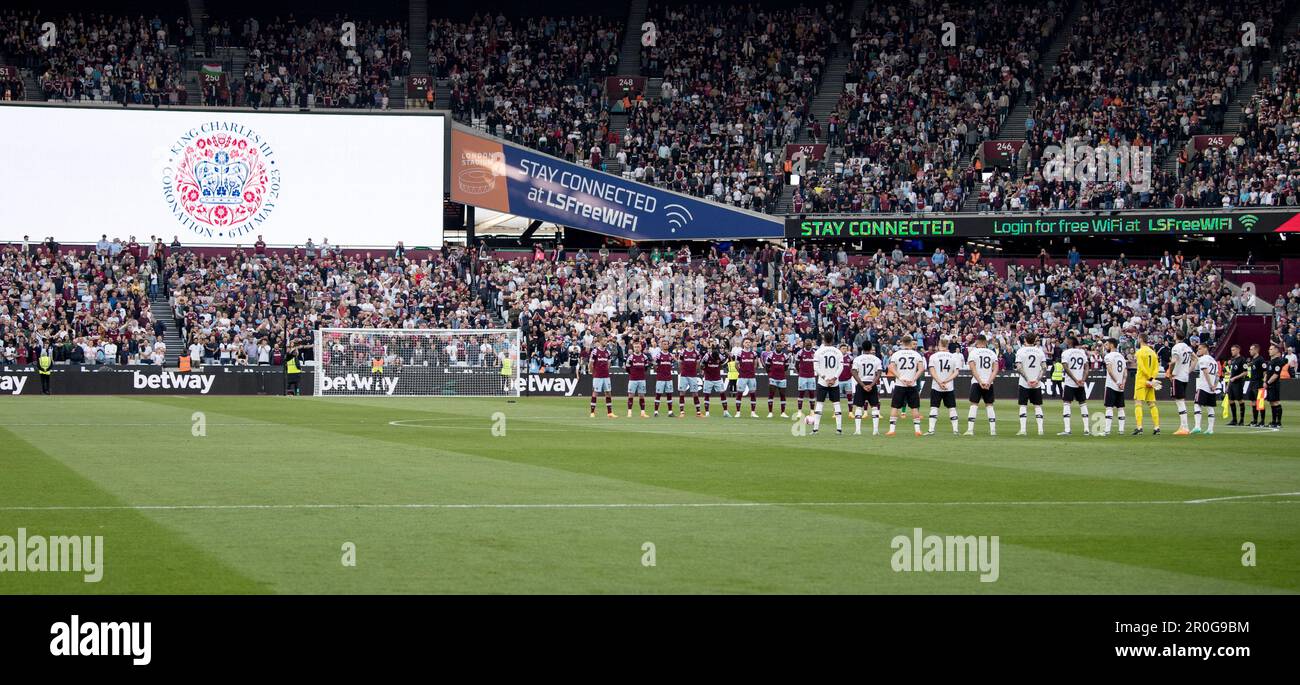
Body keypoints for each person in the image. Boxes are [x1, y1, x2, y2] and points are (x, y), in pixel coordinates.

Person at [885, 335, 926, 437]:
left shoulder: (896, 354)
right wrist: (914, 379)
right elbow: (921, 369)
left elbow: (891, 367)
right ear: (911, 342)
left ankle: (891, 430)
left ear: (901, 342)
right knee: (915, 408)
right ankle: (918, 430)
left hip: (900, 384)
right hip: (912, 384)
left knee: (895, 407)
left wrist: (900, 377)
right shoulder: (916, 354)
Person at [809, 332, 844, 435]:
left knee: (819, 404)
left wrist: (825, 378)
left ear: (824, 340)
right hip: (835, 382)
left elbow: (816, 368)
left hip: (822, 382)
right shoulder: (838, 352)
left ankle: (815, 429)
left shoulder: (819, 352)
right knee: (836, 404)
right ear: (833, 340)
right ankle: (839, 429)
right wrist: (834, 378)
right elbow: (841, 367)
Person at [926, 335, 962, 435]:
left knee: (934, 407)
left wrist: (940, 382)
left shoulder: (933, 356)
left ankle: (931, 430)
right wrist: (946, 381)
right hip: (949, 387)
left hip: (936, 386)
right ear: (948, 344)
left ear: (939, 344)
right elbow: (956, 372)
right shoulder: (954, 356)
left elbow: (932, 371)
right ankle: (955, 430)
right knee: (952, 408)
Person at [965, 335, 999, 435]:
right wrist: (989, 381)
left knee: (974, 404)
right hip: (989, 382)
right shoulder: (992, 353)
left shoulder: (973, 352)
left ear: (977, 342)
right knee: (989, 405)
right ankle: (993, 430)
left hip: (977, 382)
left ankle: (970, 430)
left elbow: (973, 368)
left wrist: (980, 381)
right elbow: (996, 369)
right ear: (985, 342)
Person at [1014, 333, 1048, 435]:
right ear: (1034, 340)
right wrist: (1037, 380)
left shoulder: (1021, 351)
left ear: (1025, 340)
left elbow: (1019, 367)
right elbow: (1044, 367)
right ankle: (1040, 430)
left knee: (1023, 405)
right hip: (1036, 383)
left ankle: (1023, 430)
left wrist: (1028, 380)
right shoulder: (1039, 351)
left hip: (1024, 383)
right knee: (1038, 406)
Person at [1058, 337, 1092, 435]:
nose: (1065, 341)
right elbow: (1087, 367)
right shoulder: (1082, 352)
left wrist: (1075, 380)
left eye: (1067, 339)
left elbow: (1066, 367)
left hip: (1070, 383)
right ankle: (1086, 429)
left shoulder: (1066, 353)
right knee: (1083, 404)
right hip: (1080, 383)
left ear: (1070, 342)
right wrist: (1083, 380)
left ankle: (1067, 430)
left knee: (1066, 403)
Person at [1166, 331, 1196, 435]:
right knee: (1181, 400)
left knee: (1179, 401)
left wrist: (1170, 372)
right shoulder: (1187, 347)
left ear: (1176, 336)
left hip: (1177, 376)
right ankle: (1183, 426)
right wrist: (1188, 370)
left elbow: (1174, 361)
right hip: (1184, 376)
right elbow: (1195, 359)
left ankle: (1185, 427)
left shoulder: (1176, 347)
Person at [1132, 334, 1162, 435]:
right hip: (1151, 381)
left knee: (1138, 403)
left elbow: (1141, 366)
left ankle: (1139, 427)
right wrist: (1152, 379)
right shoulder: (1153, 353)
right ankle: (1157, 427)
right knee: (1152, 404)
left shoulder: (1139, 352)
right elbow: (1156, 368)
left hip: (1141, 380)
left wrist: (1148, 377)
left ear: (1140, 339)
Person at [851, 341, 883, 435]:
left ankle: (857, 430)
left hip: (861, 384)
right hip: (871, 383)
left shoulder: (857, 359)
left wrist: (862, 385)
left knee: (859, 407)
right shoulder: (876, 359)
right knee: (874, 407)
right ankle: (875, 430)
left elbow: (854, 372)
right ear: (870, 348)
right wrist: (872, 385)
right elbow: (879, 373)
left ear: (862, 348)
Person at [1102, 338, 1128, 436]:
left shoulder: (1108, 356)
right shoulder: (1121, 356)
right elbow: (1125, 372)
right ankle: (1121, 430)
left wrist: (1117, 382)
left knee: (1109, 407)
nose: (1106, 346)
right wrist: (1123, 383)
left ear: (1112, 345)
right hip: (1120, 386)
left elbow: (1109, 370)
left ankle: (1107, 430)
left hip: (1111, 385)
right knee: (1120, 408)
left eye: (1107, 344)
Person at [1193, 342, 1219, 434]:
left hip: (1203, 386)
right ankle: (1210, 429)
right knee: (1210, 407)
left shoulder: (1203, 359)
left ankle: (1197, 426)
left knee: (1197, 405)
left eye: (1200, 349)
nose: (1198, 350)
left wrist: (1210, 384)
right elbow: (1217, 375)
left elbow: (1205, 372)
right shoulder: (1214, 361)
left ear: (1205, 349)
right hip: (1211, 389)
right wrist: (1214, 385)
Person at [588, 336, 615, 418]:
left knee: (608, 393)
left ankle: (610, 413)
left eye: (606, 340)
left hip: (606, 376)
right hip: (597, 376)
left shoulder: (608, 352)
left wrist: (606, 370)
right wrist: (593, 372)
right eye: (604, 340)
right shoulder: (595, 352)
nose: (606, 342)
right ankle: (592, 412)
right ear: (600, 341)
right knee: (595, 393)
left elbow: (609, 364)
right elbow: (590, 364)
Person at [701, 340, 727, 418]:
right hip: (708, 379)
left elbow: (724, 363)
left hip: (717, 378)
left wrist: (719, 366)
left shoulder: (720, 356)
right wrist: (704, 369)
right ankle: (707, 413)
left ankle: (725, 412)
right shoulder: (706, 356)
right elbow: (701, 364)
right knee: (707, 395)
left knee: (722, 393)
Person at [734, 339, 759, 418]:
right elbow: (736, 364)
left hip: (751, 376)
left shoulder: (753, 353)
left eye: (749, 342)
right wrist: (741, 372)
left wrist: (752, 371)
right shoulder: (740, 353)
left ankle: (753, 412)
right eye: (746, 342)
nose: (748, 343)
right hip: (742, 376)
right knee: (739, 393)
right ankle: (738, 412)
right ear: (743, 344)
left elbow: (755, 364)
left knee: (753, 394)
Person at [677, 341, 702, 418]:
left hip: (693, 376)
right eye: (691, 343)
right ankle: (682, 412)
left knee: (695, 393)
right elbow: (680, 362)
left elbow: (698, 363)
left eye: (693, 343)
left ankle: (698, 412)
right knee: (682, 393)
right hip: (684, 375)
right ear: (687, 343)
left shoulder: (696, 353)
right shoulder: (682, 352)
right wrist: (682, 371)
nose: (693, 344)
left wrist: (695, 370)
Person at [625, 340, 650, 418]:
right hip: (633, 379)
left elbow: (646, 368)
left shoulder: (644, 357)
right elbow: (627, 368)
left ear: (641, 348)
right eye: (635, 347)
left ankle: (642, 412)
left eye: (638, 347)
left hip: (642, 379)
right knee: (631, 395)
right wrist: (632, 374)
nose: (637, 348)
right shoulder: (631, 357)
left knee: (641, 396)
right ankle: (629, 412)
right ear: (633, 348)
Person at [794, 338, 817, 418]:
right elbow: (796, 364)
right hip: (802, 376)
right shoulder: (800, 353)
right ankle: (799, 411)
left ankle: (812, 411)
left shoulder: (814, 352)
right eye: (807, 345)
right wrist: (799, 372)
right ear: (804, 344)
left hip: (811, 376)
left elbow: (817, 364)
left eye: (810, 345)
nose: (809, 346)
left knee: (812, 394)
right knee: (801, 394)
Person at [652, 338, 675, 417]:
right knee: (658, 394)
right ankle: (656, 412)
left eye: (667, 344)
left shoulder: (671, 355)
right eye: (664, 344)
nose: (665, 345)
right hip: (660, 378)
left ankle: (670, 412)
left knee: (669, 395)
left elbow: (672, 364)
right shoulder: (658, 355)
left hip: (668, 378)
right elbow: (654, 364)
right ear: (661, 345)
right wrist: (658, 370)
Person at [1226, 344, 1248, 426]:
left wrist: (1235, 378)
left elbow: (1245, 372)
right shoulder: (1233, 360)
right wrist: (1228, 384)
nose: (1232, 352)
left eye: (1234, 350)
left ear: (1238, 350)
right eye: (1231, 350)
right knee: (1230, 400)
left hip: (1238, 383)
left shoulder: (1242, 360)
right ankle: (1234, 419)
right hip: (1231, 383)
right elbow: (1232, 373)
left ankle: (1241, 420)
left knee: (1240, 400)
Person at [766, 344, 790, 418]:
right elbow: (767, 365)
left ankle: (783, 412)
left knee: (782, 395)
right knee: (771, 394)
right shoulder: (771, 355)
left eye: (780, 346)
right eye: (777, 346)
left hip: (782, 378)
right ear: (775, 347)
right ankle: (770, 412)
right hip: (773, 377)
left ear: (782, 347)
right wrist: (770, 374)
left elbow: (786, 366)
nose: (779, 347)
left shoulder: (785, 356)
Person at [1266, 343, 1286, 428]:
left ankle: (1279, 422)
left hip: (1274, 385)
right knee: (1271, 402)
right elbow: (1268, 373)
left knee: (1276, 402)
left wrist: (1267, 383)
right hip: (1270, 384)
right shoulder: (1271, 361)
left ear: (1276, 350)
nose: (1269, 351)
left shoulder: (1278, 361)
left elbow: (1275, 375)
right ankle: (1274, 421)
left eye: (1271, 349)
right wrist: (1265, 381)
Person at [1248, 343, 1268, 426]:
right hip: (1252, 382)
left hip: (1258, 382)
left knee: (1260, 402)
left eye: (1251, 349)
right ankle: (1255, 420)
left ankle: (1262, 421)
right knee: (1253, 401)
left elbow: (1265, 371)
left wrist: (1264, 381)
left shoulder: (1261, 359)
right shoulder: (1253, 359)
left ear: (1256, 350)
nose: (1250, 351)